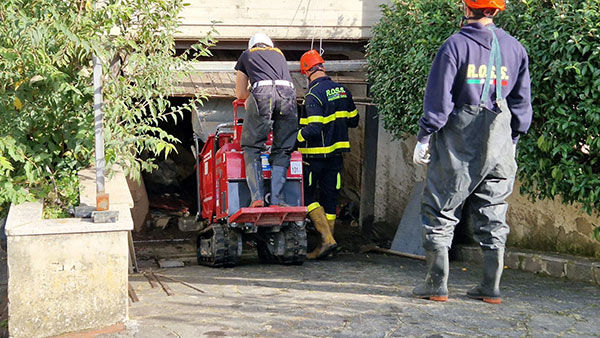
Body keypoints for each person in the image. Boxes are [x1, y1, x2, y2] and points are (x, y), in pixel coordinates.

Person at [412, 0, 532, 304]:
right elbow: (521, 103)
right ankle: (490, 288)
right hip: (502, 143)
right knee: (493, 211)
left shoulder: (454, 46)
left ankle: (436, 284)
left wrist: (425, 136)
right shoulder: (516, 48)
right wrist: (513, 139)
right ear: (496, 10)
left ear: (467, 8)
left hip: (459, 142)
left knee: (440, 208)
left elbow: (439, 101)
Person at [297, 50, 359, 259]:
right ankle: (328, 246)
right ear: (322, 67)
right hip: (336, 156)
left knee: (306, 196)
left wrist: (294, 138)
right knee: (331, 197)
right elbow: (353, 120)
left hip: (314, 157)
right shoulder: (343, 91)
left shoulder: (313, 95)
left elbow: (314, 128)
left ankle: (327, 240)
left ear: (306, 72)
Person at [235, 33, 298, 207]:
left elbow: (240, 93)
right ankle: (277, 199)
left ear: (252, 45)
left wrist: (250, 97)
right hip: (288, 95)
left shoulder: (247, 55)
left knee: (252, 146)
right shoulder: (279, 54)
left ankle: (257, 198)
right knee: (283, 147)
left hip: (262, 95)